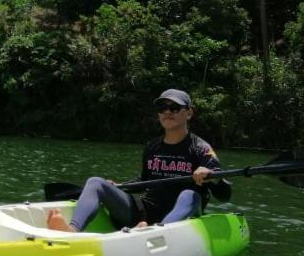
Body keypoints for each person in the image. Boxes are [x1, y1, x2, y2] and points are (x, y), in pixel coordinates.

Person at [47, 88, 228, 232]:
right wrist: (119, 185)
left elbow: (225, 194)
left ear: (188, 113)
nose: (167, 112)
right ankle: (72, 230)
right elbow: (144, 182)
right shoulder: (152, 146)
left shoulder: (201, 148)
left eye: (174, 108)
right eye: (162, 108)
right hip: (146, 211)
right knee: (96, 183)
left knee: (190, 194)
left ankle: (155, 232)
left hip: (183, 212)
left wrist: (212, 176)